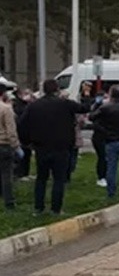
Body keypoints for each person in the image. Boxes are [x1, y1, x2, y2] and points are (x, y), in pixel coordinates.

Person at [18, 80, 89, 214]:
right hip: (61, 146)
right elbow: (84, 108)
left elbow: (22, 125)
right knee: (59, 179)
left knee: (41, 179)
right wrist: (86, 94)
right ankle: (56, 208)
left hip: (41, 147)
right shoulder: (65, 104)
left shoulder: (34, 106)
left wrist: (27, 142)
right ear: (57, 90)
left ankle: (39, 208)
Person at [0, 84, 21, 210]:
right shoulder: (6, 109)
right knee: (6, 174)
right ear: (3, 94)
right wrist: (16, 146)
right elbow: (11, 130)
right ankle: (9, 202)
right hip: (3, 144)